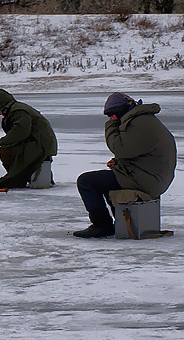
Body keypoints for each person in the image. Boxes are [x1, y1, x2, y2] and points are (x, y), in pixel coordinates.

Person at [74, 92, 177, 238]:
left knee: (86, 182)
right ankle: (120, 222)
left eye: (112, 115)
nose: (111, 118)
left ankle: (101, 225)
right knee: (105, 181)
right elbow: (138, 152)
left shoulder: (139, 123)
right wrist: (118, 163)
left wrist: (111, 125)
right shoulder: (143, 120)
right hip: (151, 176)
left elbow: (119, 148)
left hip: (147, 180)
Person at [0, 89, 58, 189]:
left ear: (3, 106)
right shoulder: (16, 109)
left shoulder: (18, 111)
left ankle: (16, 179)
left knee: (5, 150)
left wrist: (3, 141)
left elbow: (21, 131)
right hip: (39, 143)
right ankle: (23, 177)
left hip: (39, 145)